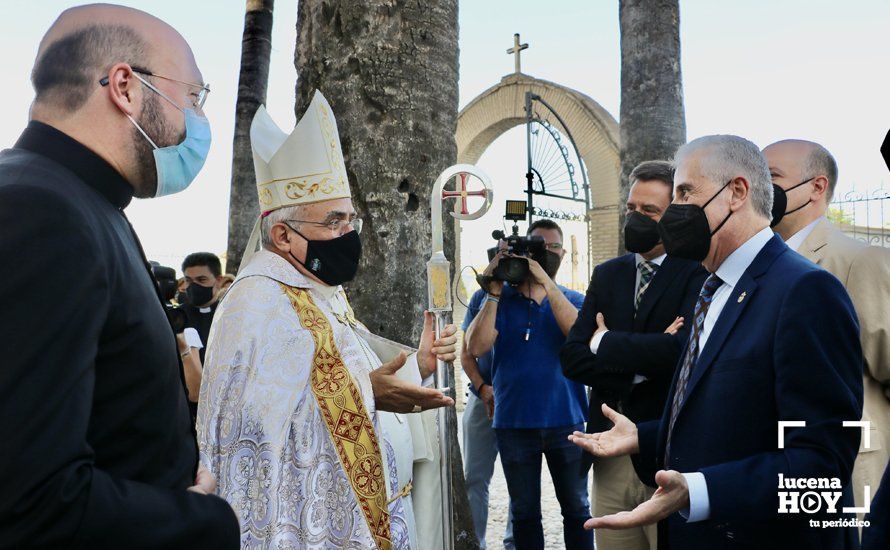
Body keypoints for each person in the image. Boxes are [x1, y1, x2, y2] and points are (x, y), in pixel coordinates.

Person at [0, 4, 238, 547]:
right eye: (195, 97)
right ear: (126, 87)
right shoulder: (42, 213)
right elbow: (27, 500)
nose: (198, 120)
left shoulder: (74, 200)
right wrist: (200, 519)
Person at [569, 135, 863, 549]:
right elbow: (729, 417)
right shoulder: (714, 288)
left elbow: (822, 468)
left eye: (686, 192)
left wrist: (698, 491)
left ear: (737, 193)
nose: (674, 212)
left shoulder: (805, 291)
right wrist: (646, 436)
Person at [197, 91, 457, 549]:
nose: (347, 235)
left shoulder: (322, 293)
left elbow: (346, 373)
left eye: (350, 220)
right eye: (333, 222)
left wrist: (419, 362)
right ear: (282, 235)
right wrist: (366, 393)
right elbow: (255, 429)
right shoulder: (256, 301)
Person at [560, 160, 707, 550]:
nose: (636, 219)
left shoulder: (697, 273)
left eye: (649, 211)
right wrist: (642, 365)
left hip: (666, 455)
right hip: (608, 456)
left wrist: (606, 342)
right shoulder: (609, 274)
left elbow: (682, 354)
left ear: (672, 216)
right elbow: (573, 357)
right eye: (631, 209)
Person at [765, 139, 890, 514]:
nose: (759, 189)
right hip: (773, 464)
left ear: (817, 187)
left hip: (847, 468)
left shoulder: (858, 260)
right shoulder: (761, 264)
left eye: (771, 177)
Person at [465, 219, 593, 550]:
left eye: (550, 248)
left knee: (577, 510)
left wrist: (546, 283)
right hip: (514, 423)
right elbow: (475, 347)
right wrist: (493, 290)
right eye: (536, 247)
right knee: (524, 514)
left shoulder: (573, 298)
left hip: (567, 421)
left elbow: (577, 335)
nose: (543, 254)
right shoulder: (494, 299)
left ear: (562, 253)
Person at [461, 287, 515, 549]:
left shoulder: (534, 290)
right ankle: (475, 543)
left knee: (521, 477)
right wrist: (482, 387)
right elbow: (466, 351)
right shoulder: (480, 297)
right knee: (473, 477)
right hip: (480, 396)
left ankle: (514, 543)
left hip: (517, 401)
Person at [181, 251, 225, 361]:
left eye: (201, 280)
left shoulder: (229, 315)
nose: (194, 286)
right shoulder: (177, 317)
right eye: (188, 280)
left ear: (218, 281)